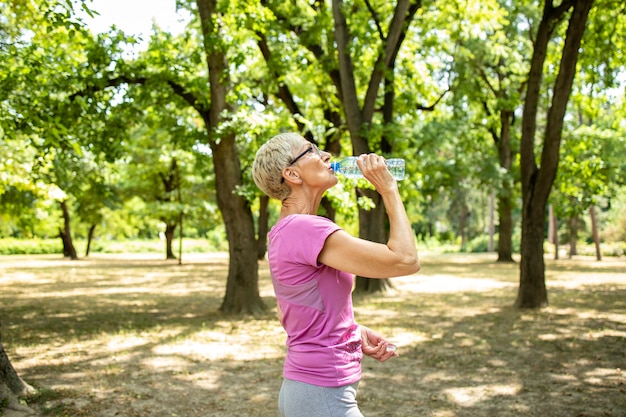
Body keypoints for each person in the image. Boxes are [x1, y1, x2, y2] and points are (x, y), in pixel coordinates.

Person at [251, 132, 420, 417]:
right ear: (292, 173)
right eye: (312, 150)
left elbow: (293, 314)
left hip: (311, 392)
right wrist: (389, 189)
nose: (327, 155)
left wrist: (353, 332)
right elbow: (405, 260)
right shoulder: (304, 229)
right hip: (321, 396)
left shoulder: (289, 230)